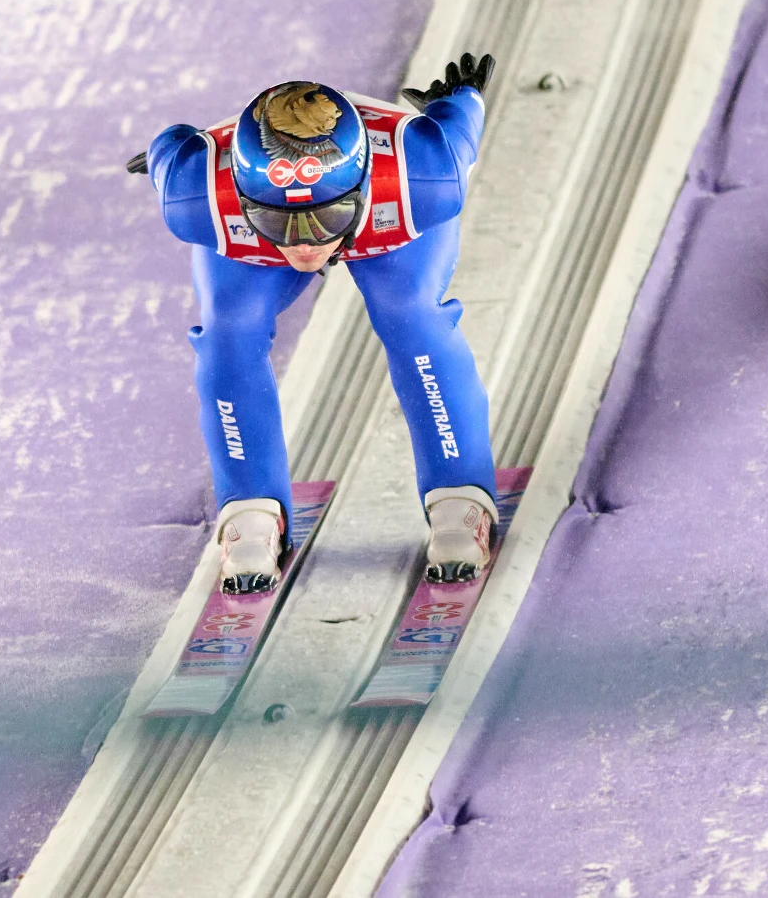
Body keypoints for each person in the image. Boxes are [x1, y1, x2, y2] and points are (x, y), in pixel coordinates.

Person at [128, 53, 499, 594]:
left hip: (380, 220)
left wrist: (461, 102)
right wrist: (462, 99)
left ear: (361, 190)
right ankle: (249, 504)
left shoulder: (424, 174)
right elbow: (174, 151)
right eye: (279, 219)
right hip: (357, 221)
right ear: (243, 201)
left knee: (413, 316)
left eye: (325, 218)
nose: (304, 242)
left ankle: (461, 493)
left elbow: (457, 133)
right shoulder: (196, 195)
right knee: (229, 334)